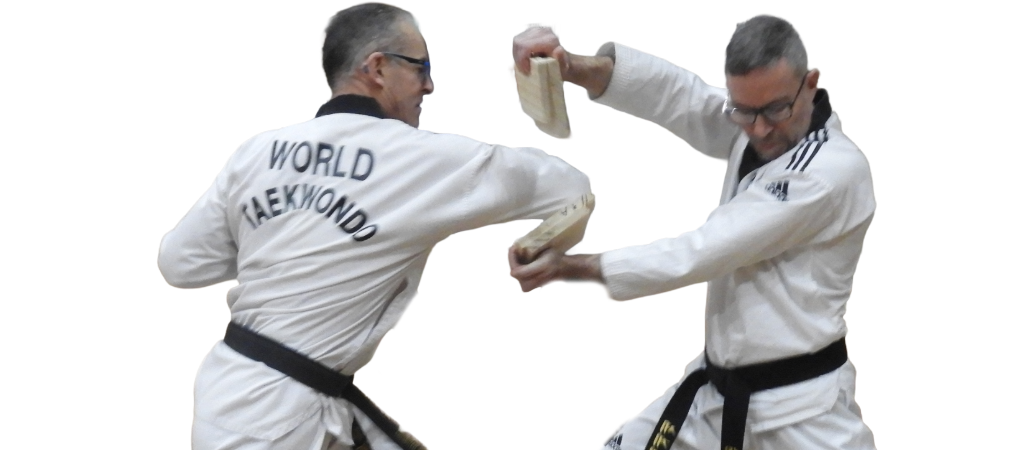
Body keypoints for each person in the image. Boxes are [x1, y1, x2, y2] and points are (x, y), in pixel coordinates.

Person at [158, 3, 591, 450]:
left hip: (229, 391)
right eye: (421, 67)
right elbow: (569, 187)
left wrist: (285, 239)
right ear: (377, 68)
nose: (430, 84)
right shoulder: (424, 161)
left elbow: (180, 262)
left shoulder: (257, 152)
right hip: (276, 422)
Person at [509, 15, 876, 450]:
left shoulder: (830, 171)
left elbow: (705, 250)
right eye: (744, 110)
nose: (758, 129)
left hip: (802, 417)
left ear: (810, 84)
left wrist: (571, 267)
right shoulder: (764, 126)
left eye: (775, 109)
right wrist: (572, 67)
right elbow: (682, 97)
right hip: (716, 396)